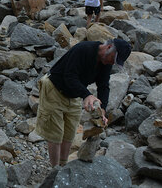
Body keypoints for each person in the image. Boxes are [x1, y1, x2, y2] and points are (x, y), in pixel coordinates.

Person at [35, 39, 132, 167]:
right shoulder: (84, 49)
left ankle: (63, 166)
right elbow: (69, 76)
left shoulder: (105, 62)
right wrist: (87, 95)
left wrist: (102, 109)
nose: (111, 63)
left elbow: (103, 86)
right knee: (55, 133)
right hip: (54, 88)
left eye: (114, 62)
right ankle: (55, 169)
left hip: (74, 93)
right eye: (113, 59)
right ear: (108, 47)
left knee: (69, 132)